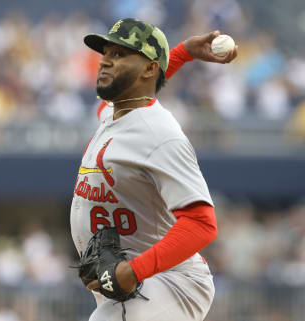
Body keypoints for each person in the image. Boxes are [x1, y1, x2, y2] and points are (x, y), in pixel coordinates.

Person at [70, 18, 237, 321]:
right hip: (138, 279)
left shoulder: (160, 135)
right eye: (105, 53)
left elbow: (202, 223)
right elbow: (144, 86)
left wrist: (134, 271)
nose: (105, 61)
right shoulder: (113, 114)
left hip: (172, 280)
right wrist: (183, 52)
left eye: (119, 55)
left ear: (149, 68)